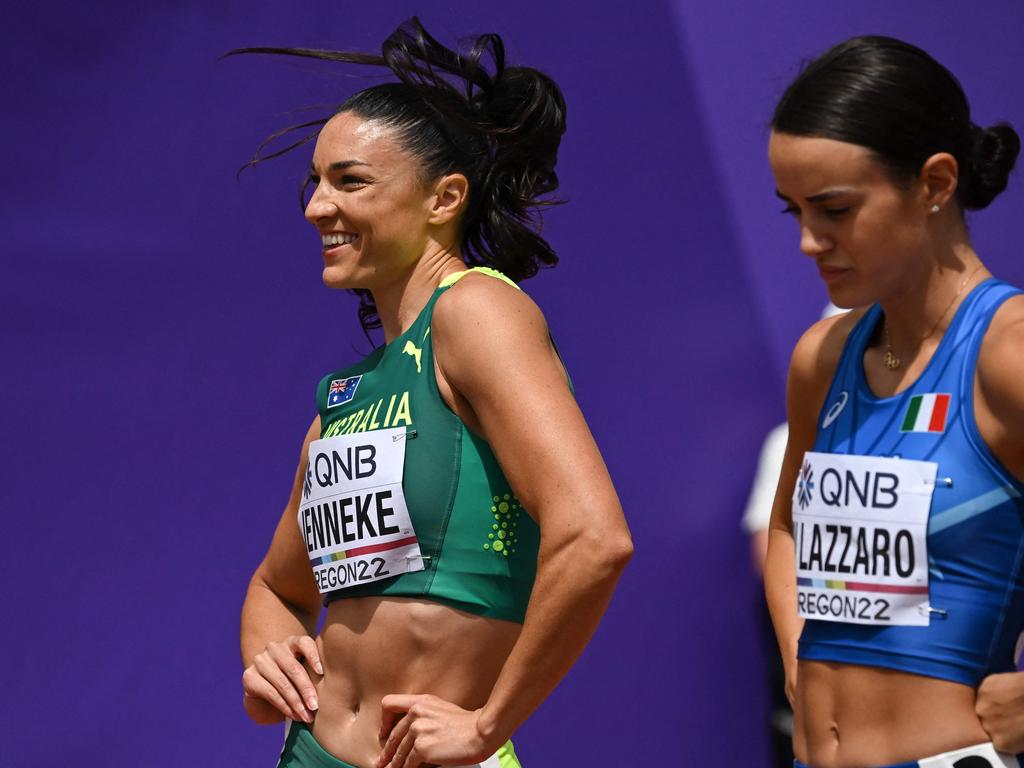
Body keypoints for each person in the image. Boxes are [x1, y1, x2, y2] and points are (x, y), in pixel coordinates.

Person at [232, 19, 632, 768]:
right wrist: (269, 657)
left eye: (349, 180)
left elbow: (595, 539)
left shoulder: (476, 309)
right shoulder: (347, 395)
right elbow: (277, 587)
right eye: (314, 182)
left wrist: (487, 727)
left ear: (445, 197)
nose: (317, 207)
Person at [763, 35, 1024, 768]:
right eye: (793, 212)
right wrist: (800, 655)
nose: (810, 242)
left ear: (935, 182)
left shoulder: (1009, 353)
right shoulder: (821, 358)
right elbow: (786, 525)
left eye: (836, 209)